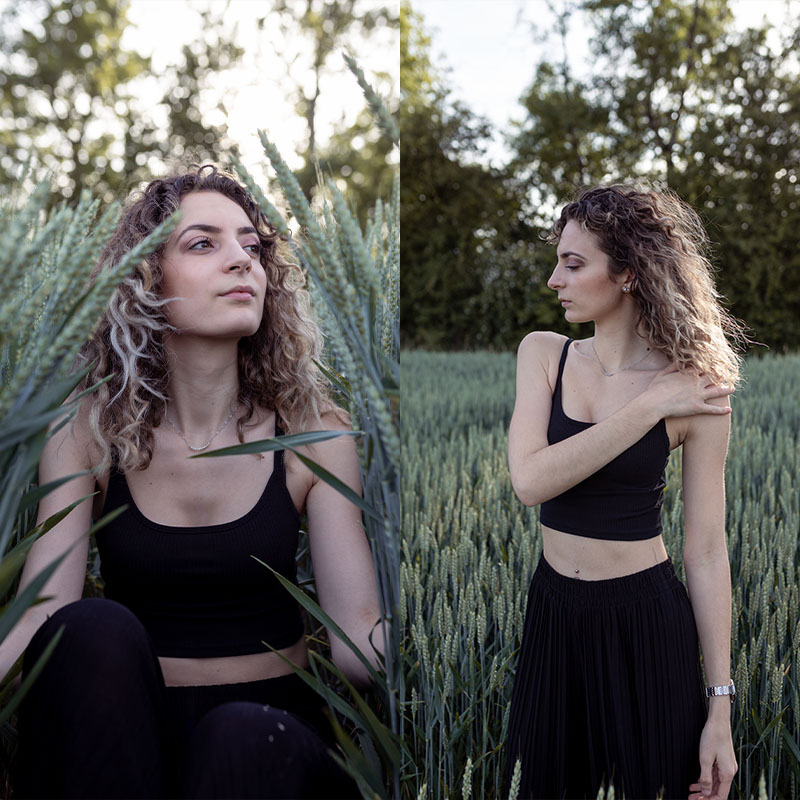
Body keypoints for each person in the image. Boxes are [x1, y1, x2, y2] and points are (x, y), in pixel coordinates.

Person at [1, 165, 380, 798]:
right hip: (123, 737)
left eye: (252, 247)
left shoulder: (315, 431)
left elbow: (356, 647)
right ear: (146, 280)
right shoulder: (89, 431)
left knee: (235, 738)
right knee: (95, 629)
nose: (242, 260)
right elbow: (48, 606)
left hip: (269, 745)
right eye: (204, 243)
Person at [505, 184, 744, 800]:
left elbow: (708, 551)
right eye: (558, 260)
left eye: (573, 263)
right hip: (553, 615)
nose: (555, 279)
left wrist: (720, 710)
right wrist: (646, 410)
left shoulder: (696, 390)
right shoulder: (544, 357)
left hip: (646, 621)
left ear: (629, 273)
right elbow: (530, 481)